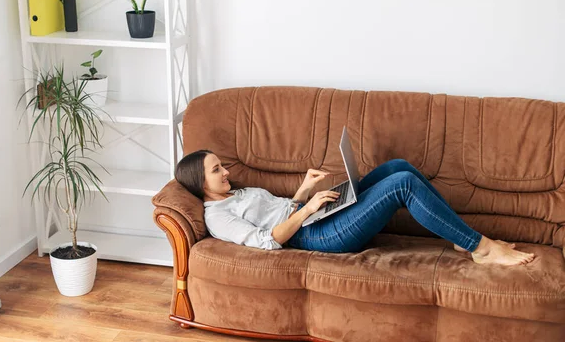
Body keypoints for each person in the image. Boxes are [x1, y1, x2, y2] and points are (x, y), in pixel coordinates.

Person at [175, 149, 536, 266]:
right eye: (216, 170)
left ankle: (458, 237)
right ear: (198, 181)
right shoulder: (217, 215)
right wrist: (307, 211)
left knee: (398, 167)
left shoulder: (233, 195)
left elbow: (281, 210)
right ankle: (481, 248)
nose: (226, 172)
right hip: (318, 236)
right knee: (402, 186)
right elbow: (269, 240)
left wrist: (305, 190)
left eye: (222, 166)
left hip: (313, 216)